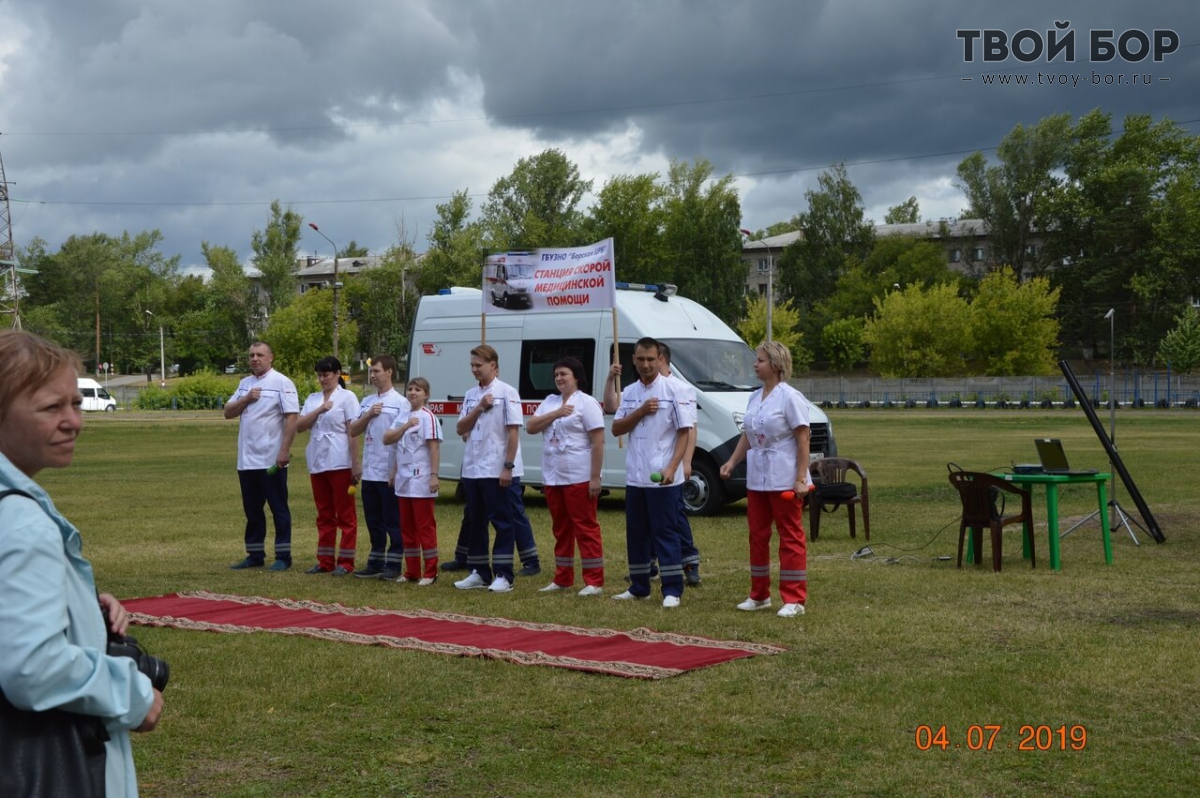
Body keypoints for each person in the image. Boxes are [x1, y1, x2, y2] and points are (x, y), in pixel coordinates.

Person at [0, 329, 163, 797]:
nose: (74, 421)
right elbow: (32, 667)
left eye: (75, 403)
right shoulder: (22, 523)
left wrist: (76, 603)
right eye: (52, 408)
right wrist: (132, 694)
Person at [719, 341, 811, 618]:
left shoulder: (790, 397)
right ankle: (759, 594)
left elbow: (803, 438)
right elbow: (748, 434)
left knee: (790, 535)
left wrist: (800, 479)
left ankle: (794, 598)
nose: (754, 364)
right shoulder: (754, 397)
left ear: (776, 364)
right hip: (757, 477)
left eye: (760, 360)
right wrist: (732, 461)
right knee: (757, 536)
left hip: (784, 476)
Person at [611, 337, 695, 608]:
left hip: (664, 478)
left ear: (660, 359)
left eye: (651, 359)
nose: (645, 364)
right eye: (640, 359)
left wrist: (672, 467)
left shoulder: (676, 391)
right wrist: (641, 411)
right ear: (633, 360)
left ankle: (672, 590)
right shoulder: (630, 391)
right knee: (636, 532)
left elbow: (684, 432)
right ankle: (639, 587)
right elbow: (617, 428)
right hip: (636, 476)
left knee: (665, 532)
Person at [453, 344, 539, 593]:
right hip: (473, 468)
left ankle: (503, 574)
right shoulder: (471, 395)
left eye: (479, 365)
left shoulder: (507, 392)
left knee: (503, 522)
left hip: (497, 467)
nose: (475, 370)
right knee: (476, 521)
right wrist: (479, 408)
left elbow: (513, 432)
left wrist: (508, 466)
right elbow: (461, 429)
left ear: (494, 366)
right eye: (472, 365)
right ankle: (479, 571)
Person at [526, 357, 605, 596]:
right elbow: (531, 427)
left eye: (564, 374)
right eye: (556, 375)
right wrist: (557, 413)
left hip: (579, 474)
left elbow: (598, 441)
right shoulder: (550, 402)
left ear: (576, 377)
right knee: (560, 528)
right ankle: (563, 577)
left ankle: (594, 580)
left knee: (585, 526)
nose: (559, 378)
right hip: (553, 475)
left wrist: (595, 477)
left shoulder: (587, 403)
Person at [224, 340, 299, 571]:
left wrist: (284, 450)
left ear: (271, 357)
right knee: (252, 510)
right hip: (247, 460)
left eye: (260, 355)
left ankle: (283, 556)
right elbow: (228, 412)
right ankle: (255, 554)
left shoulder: (282, 383)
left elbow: (292, 417)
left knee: (278, 508)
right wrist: (246, 399)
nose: (255, 359)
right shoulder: (245, 384)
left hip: (270, 459)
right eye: (251, 355)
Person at [297, 356, 361, 575]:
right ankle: (324, 560)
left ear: (337, 374)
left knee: (345, 515)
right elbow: (299, 426)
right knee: (324, 514)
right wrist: (319, 410)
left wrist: (355, 464)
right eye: (319, 375)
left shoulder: (347, 397)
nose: (322, 379)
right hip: (318, 460)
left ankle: (345, 562)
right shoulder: (313, 398)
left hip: (340, 460)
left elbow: (352, 432)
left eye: (326, 375)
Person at [349, 355, 410, 580]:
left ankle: (394, 564)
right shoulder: (366, 402)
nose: (373, 375)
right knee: (374, 519)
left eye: (377, 371)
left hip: (389, 471)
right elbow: (353, 430)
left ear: (389, 372)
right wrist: (368, 415)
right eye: (371, 372)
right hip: (371, 470)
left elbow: (403, 440)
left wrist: (396, 469)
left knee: (392, 519)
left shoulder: (400, 403)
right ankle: (375, 561)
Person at [383, 377, 442, 584]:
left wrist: (434, 475)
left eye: (418, 389)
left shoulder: (428, 417)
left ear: (426, 394)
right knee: (406, 527)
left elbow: (434, 448)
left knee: (424, 526)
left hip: (421, 478)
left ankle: (431, 571)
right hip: (403, 479)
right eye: (410, 389)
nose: (413, 393)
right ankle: (412, 570)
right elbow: (389, 439)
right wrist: (394, 471)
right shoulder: (402, 416)